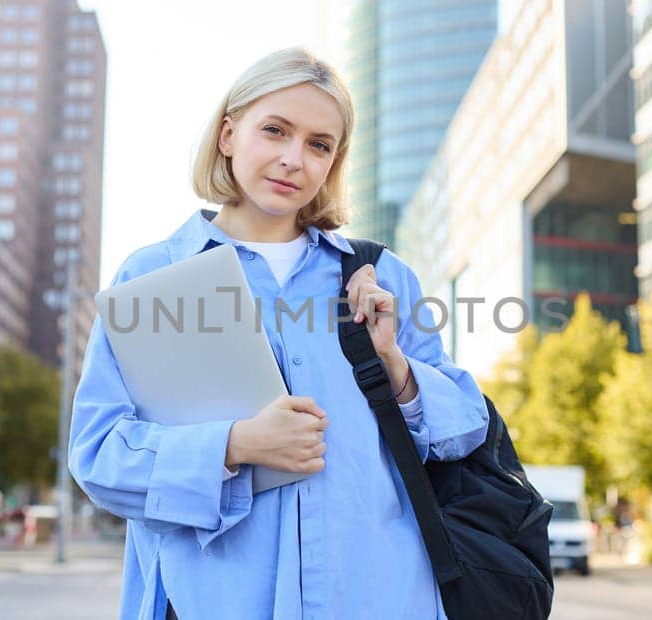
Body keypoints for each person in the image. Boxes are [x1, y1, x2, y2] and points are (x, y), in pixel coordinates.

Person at [68, 48, 490, 620]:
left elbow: (464, 431)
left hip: (379, 599)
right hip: (209, 603)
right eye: (275, 131)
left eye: (319, 144)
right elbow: (98, 457)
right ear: (227, 134)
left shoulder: (381, 276)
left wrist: (395, 365)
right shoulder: (155, 277)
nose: (294, 159)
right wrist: (235, 445)